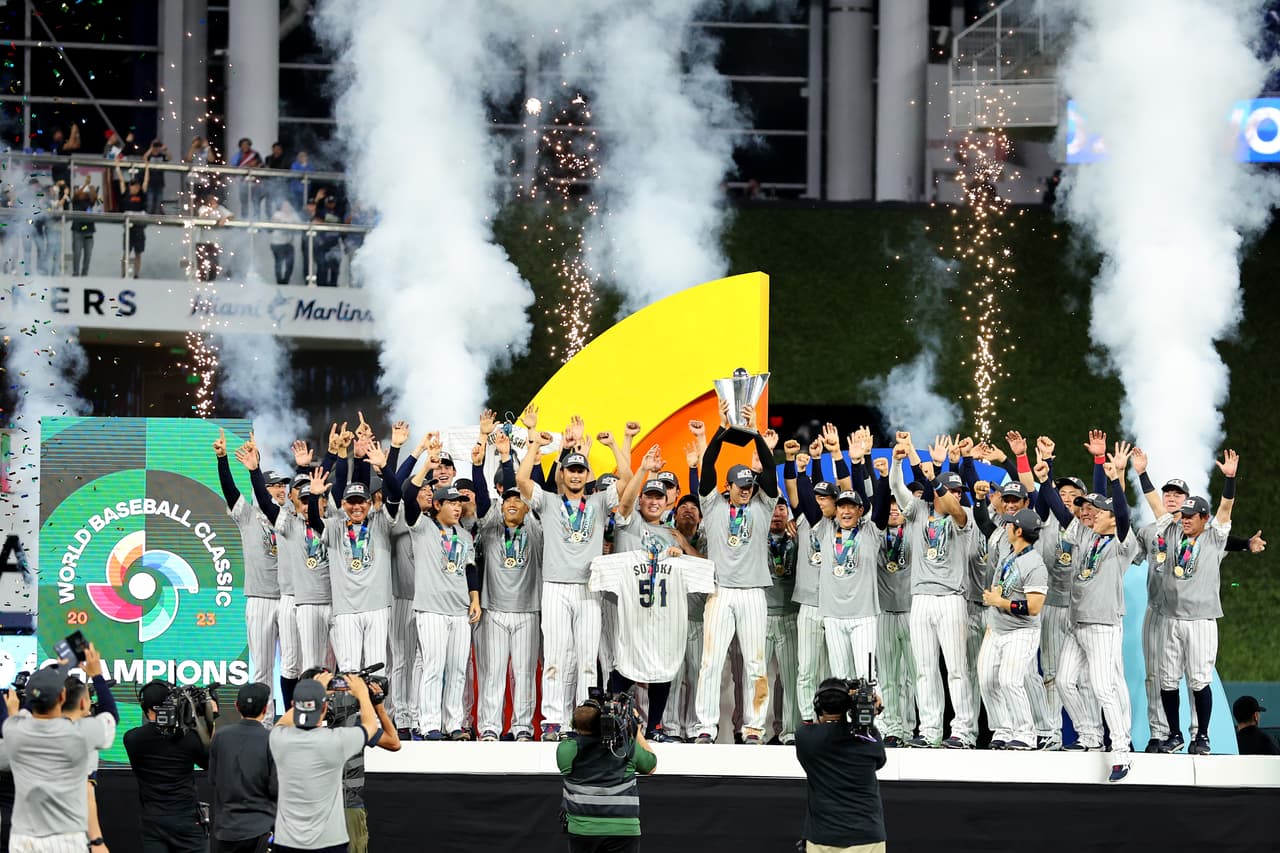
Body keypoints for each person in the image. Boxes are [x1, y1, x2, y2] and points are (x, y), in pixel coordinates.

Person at [515, 420, 631, 741]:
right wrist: (536, 445)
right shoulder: (548, 502)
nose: (576, 475)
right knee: (556, 656)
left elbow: (626, 479)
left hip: (588, 589)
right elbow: (522, 480)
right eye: (571, 470)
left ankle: (585, 721)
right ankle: (553, 720)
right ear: (562, 474)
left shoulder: (599, 502)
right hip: (555, 587)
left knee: (587, 660)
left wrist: (613, 445)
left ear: (587, 474)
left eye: (581, 470)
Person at [593, 446, 714, 741]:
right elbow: (625, 504)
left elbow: (705, 571)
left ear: (666, 502)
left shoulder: (673, 536)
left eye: (660, 497)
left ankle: (655, 727)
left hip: (660, 614)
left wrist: (680, 552)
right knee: (622, 665)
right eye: (649, 496)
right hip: (626, 609)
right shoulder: (630, 523)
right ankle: (612, 723)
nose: (654, 501)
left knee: (663, 664)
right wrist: (644, 469)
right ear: (641, 499)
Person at [1040, 440, 1139, 782]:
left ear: (1110, 517)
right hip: (1077, 622)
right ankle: (1091, 736)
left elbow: (1123, 515)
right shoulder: (1084, 536)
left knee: (1103, 687)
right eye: (1086, 510)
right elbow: (1060, 509)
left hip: (1103, 624)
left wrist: (1114, 480)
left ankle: (1122, 752)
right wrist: (1045, 475)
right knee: (1064, 681)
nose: (1088, 514)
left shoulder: (1123, 542)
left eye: (1096, 511)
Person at [692, 402, 780, 744]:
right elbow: (709, 465)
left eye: (749, 484)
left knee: (756, 663)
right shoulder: (712, 505)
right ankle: (705, 726)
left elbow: (769, 470)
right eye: (740, 485)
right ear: (727, 486)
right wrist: (722, 429)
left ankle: (754, 728)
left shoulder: (763, 506)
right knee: (711, 661)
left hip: (754, 591)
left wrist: (754, 432)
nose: (746, 489)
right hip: (721, 591)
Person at [888, 433, 979, 749]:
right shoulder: (918, 510)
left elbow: (954, 508)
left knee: (957, 669)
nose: (957, 495)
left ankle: (963, 731)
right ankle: (930, 730)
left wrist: (935, 479)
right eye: (953, 490)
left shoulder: (963, 517)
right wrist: (898, 461)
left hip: (951, 598)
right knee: (925, 669)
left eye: (959, 491)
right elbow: (896, 487)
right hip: (921, 599)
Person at [1152, 451, 1240, 756]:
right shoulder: (1173, 533)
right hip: (1171, 619)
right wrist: (1141, 474)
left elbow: (1226, 508)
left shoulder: (1215, 537)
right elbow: (1156, 505)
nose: (1186, 520)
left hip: (1201, 620)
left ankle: (1201, 736)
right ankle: (1174, 734)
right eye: (1184, 515)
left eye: (1191, 516)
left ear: (1204, 518)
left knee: (1200, 680)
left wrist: (1230, 479)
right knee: (1167, 680)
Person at [0, 644, 117, 853]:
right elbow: (110, 716)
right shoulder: (81, 734)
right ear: (62, 698)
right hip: (66, 839)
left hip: (23, 840)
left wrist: (58, 671)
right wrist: (97, 676)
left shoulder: (14, 730)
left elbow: (28, 709)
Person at [474, 431, 543, 742]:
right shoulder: (490, 528)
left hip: (528, 610)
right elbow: (482, 498)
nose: (512, 503)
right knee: (493, 671)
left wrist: (531, 450)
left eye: (519, 499)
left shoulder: (536, 529)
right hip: (495, 611)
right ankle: (489, 726)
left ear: (527, 507)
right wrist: (496, 459)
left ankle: (522, 727)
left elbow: (535, 494)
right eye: (507, 500)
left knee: (525, 673)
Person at [216, 430, 283, 722]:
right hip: (259, 597)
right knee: (262, 667)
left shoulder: (291, 516)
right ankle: (264, 721)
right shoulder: (248, 514)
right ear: (261, 489)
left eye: (283, 486)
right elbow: (231, 491)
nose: (280, 490)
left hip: (291, 598)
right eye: (274, 486)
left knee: (294, 666)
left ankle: (295, 719)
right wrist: (222, 460)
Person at [269, 675, 377, 853]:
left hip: (287, 841)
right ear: (325, 707)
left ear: (293, 705)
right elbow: (371, 726)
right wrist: (362, 693)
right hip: (329, 841)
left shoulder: (278, 738)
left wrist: (314, 692)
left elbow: (282, 722)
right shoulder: (336, 741)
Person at [977, 508, 1050, 750]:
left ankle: (1026, 733)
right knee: (987, 681)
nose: (1006, 526)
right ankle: (1003, 729)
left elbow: (1034, 607)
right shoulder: (1009, 553)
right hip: (996, 628)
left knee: (1009, 681)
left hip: (1021, 631)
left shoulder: (1035, 564)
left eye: (1010, 524)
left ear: (1019, 531)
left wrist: (1000, 602)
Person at [794, 679, 887, 853]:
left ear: (818, 707)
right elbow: (880, 761)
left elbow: (820, 729)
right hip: (867, 838)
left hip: (822, 839)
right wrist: (867, 713)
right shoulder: (868, 737)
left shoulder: (805, 737)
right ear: (848, 706)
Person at [123, 679, 216, 852]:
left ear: (145, 707)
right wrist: (210, 718)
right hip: (186, 821)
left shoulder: (132, 739)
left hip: (152, 822)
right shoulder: (188, 738)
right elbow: (210, 763)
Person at [557, 698, 657, 853]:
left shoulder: (567, 749)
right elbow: (651, 766)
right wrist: (635, 730)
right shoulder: (626, 747)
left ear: (573, 724)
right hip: (623, 830)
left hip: (582, 829)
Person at [209, 683, 276, 853]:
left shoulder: (220, 736)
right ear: (266, 709)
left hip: (226, 830)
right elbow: (275, 788)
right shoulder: (272, 740)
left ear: (236, 706)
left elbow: (213, 779)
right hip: (261, 830)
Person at [115, 163, 150, 278]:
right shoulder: (125, 193)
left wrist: (147, 167)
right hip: (128, 227)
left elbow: (146, 181)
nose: (133, 188)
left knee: (138, 253)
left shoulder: (142, 194)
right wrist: (117, 166)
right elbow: (121, 180)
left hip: (139, 227)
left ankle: (136, 274)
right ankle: (123, 273)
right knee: (126, 252)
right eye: (132, 186)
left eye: (135, 186)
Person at [70, 180, 98, 276]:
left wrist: (91, 188)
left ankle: (85, 273)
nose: (84, 193)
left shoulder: (90, 201)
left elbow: (96, 199)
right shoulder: (76, 201)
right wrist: (85, 184)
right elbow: (76, 195)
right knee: (77, 253)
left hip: (89, 230)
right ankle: (75, 272)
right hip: (77, 229)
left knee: (88, 253)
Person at [269, 199, 301, 284]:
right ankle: (279, 281)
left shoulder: (294, 215)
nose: (286, 207)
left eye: (288, 205)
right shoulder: (277, 214)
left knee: (290, 264)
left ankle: (286, 281)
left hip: (289, 243)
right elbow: (273, 222)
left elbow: (299, 225)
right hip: (277, 243)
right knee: (279, 263)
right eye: (284, 205)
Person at [231, 137, 264, 219]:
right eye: (243, 144)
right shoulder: (237, 156)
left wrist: (255, 166)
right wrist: (247, 166)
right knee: (244, 202)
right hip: (243, 182)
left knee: (256, 201)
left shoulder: (255, 154)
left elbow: (261, 166)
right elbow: (234, 168)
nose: (245, 146)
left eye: (247, 144)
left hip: (255, 182)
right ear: (240, 146)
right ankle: (244, 219)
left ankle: (256, 220)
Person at [143, 138, 170, 213]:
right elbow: (144, 158)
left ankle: (157, 218)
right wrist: (151, 148)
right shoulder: (149, 155)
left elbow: (170, 157)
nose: (156, 147)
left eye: (158, 145)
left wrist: (165, 150)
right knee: (150, 203)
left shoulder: (162, 155)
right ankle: (148, 217)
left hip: (160, 182)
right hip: (150, 182)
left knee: (158, 203)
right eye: (155, 145)